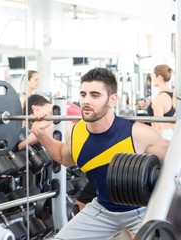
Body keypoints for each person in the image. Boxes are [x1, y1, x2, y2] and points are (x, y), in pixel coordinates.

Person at [31, 68, 169, 239]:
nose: (86, 101)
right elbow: (63, 157)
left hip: (142, 211)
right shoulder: (75, 132)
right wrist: (41, 135)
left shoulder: (138, 134)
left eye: (95, 95)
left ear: (112, 99)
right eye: (83, 95)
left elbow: (174, 166)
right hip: (102, 210)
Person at [139, 65, 175, 140]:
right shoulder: (171, 95)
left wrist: (153, 143)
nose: (152, 79)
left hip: (161, 136)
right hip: (170, 134)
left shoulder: (159, 99)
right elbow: (167, 114)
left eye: (154, 76)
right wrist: (147, 106)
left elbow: (158, 126)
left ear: (159, 77)